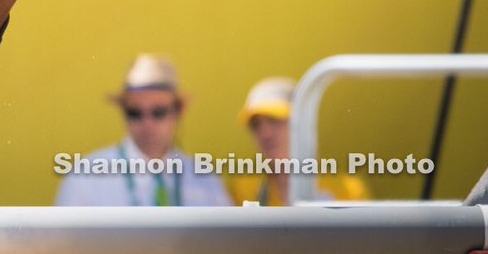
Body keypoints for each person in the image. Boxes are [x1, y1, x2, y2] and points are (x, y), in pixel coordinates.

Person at [55, 53, 231, 206]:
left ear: (178, 111)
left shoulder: (205, 179)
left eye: (158, 112)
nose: (147, 123)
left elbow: (228, 242)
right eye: (135, 113)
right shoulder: (86, 177)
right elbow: (61, 243)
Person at [226, 76, 370, 205]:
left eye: (275, 120)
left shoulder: (349, 190)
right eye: (255, 125)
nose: (265, 133)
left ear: (304, 123)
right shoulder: (244, 188)